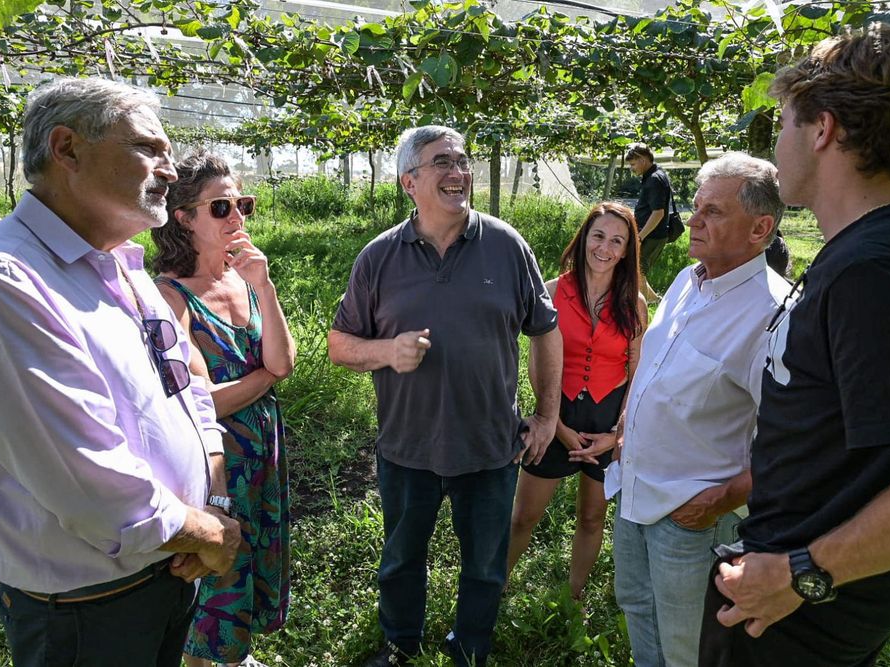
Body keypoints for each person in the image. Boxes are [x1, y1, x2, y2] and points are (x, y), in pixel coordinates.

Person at [701, 24, 890, 667]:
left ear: (822, 130)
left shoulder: (877, 270)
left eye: (782, 125)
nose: (776, 148)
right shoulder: (887, 244)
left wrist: (801, 572)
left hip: (796, 620)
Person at [0, 77, 241, 667]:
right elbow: (85, 478)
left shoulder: (121, 264)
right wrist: (210, 534)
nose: (169, 170)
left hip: (170, 566)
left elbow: (187, 388)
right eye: (148, 148)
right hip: (87, 608)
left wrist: (214, 500)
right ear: (67, 149)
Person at [327, 125, 563, 667]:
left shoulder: (506, 245)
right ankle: (400, 644)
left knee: (485, 566)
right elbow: (340, 345)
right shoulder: (379, 257)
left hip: (489, 446)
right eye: (442, 163)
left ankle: (470, 650)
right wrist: (387, 352)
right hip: (407, 447)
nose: (458, 173)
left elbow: (545, 330)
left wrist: (547, 415)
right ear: (409, 182)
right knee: (401, 560)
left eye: (462, 161)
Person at [613, 152, 791, 667]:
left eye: (713, 211)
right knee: (638, 609)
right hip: (635, 488)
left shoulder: (773, 315)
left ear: (760, 228)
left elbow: (793, 442)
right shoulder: (687, 281)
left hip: (693, 515)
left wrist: (721, 500)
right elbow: (653, 364)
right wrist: (625, 425)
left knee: (689, 645)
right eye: (697, 206)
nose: (693, 220)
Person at [152, 151, 296, 667]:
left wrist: (264, 286)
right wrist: (266, 378)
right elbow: (201, 400)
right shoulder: (170, 297)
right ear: (183, 218)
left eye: (242, 203)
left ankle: (235, 657)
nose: (237, 215)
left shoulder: (244, 279)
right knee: (216, 578)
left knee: (254, 554)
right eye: (220, 206)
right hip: (217, 465)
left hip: (263, 453)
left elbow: (285, 359)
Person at [507, 202, 647, 600]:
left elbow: (637, 371)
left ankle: (574, 596)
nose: (605, 247)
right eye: (598, 236)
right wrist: (555, 425)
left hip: (607, 420)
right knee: (524, 516)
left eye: (617, 241)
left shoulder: (634, 303)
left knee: (591, 516)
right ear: (584, 238)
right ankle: (494, 586)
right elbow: (537, 365)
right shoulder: (552, 292)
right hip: (556, 414)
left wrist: (617, 435)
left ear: (626, 251)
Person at [626, 143, 673, 301]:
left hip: (652, 235)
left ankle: (642, 309)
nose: (631, 168)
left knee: (637, 272)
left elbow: (658, 213)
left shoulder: (654, 179)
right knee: (639, 270)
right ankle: (655, 300)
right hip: (653, 234)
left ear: (643, 160)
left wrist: (640, 236)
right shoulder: (656, 174)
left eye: (633, 164)